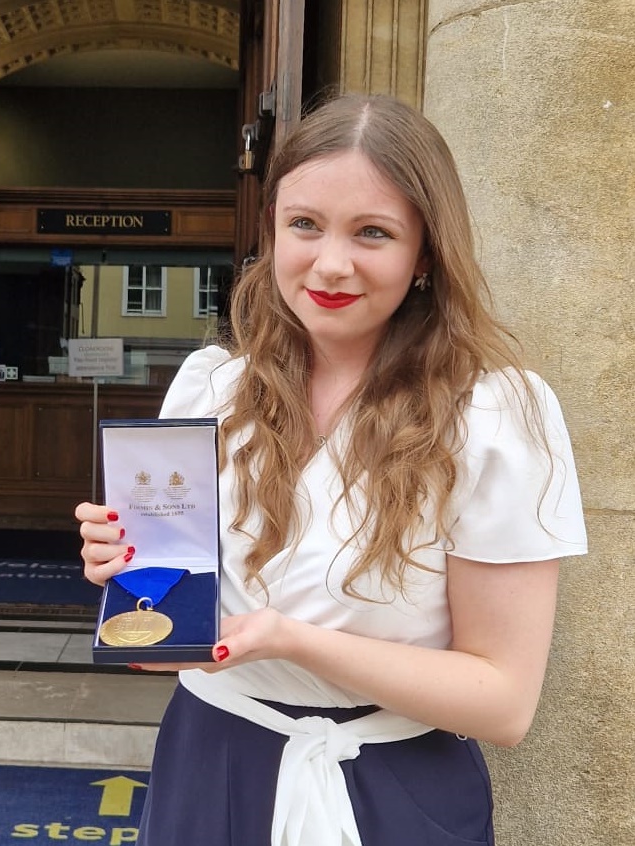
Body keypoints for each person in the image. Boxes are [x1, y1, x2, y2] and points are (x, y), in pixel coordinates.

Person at [76, 94, 587, 846]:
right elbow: (171, 650)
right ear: (272, 229)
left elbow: (503, 703)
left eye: (373, 233)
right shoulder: (212, 385)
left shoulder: (498, 413)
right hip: (211, 762)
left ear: (425, 257)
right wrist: (131, 583)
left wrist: (290, 639)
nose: (331, 263)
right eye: (304, 224)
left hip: (396, 789)